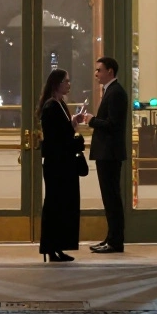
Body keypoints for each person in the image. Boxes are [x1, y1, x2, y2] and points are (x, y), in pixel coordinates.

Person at [75, 57, 128, 254]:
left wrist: (92, 120)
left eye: (99, 70)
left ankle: (115, 241)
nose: (96, 74)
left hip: (110, 153)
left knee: (112, 197)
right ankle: (111, 238)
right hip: (107, 153)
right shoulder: (111, 91)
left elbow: (112, 125)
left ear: (110, 71)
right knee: (109, 198)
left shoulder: (115, 93)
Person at [37, 68, 82, 262]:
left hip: (63, 163)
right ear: (57, 84)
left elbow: (62, 132)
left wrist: (73, 124)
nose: (69, 84)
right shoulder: (51, 107)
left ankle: (58, 246)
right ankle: (51, 246)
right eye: (66, 81)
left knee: (63, 205)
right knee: (55, 205)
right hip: (58, 165)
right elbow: (56, 139)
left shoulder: (60, 104)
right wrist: (76, 141)